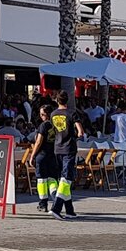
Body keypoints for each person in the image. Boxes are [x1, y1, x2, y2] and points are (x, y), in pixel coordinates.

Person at [48, 91, 84, 219]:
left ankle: (69, 210)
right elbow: (80, 132)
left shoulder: (53, 114)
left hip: (57, 148)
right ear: (67, 100)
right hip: (69, 147)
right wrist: (77, 135)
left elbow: (54, 131)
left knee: (63, 178)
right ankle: (56, 208)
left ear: (57, 101)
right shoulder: (71, 113)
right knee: (67, 178)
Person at [31, 105, 57, 213]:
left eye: (42, 114)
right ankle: (56, 200)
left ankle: (43, 204)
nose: (41, 116)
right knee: (52, 179)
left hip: (42, 155)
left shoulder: (43, 125)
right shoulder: (56, 125)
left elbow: (38, 142)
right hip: (53, 155)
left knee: (41, 180)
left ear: (46, 114)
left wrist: (32, 155)